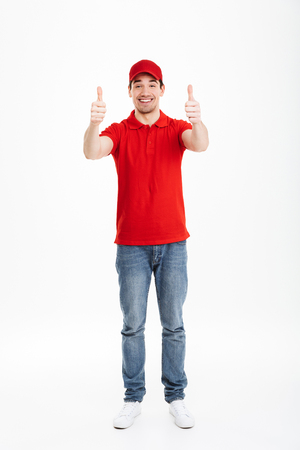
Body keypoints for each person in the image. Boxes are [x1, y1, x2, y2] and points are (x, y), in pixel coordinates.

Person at [83, 60, 209, 429]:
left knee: (174, 326)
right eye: (137, 85)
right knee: (132, 326)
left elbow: (199, 144)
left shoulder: (176, 128)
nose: (145, 90)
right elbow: (92, 151)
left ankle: (176, 397)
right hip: (132, 246)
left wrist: (198, 118)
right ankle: (132, 398)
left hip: (174, 243)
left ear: (161, 90)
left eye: (151, 84)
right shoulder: (121, 130)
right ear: (130, 93)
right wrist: (93, 122)